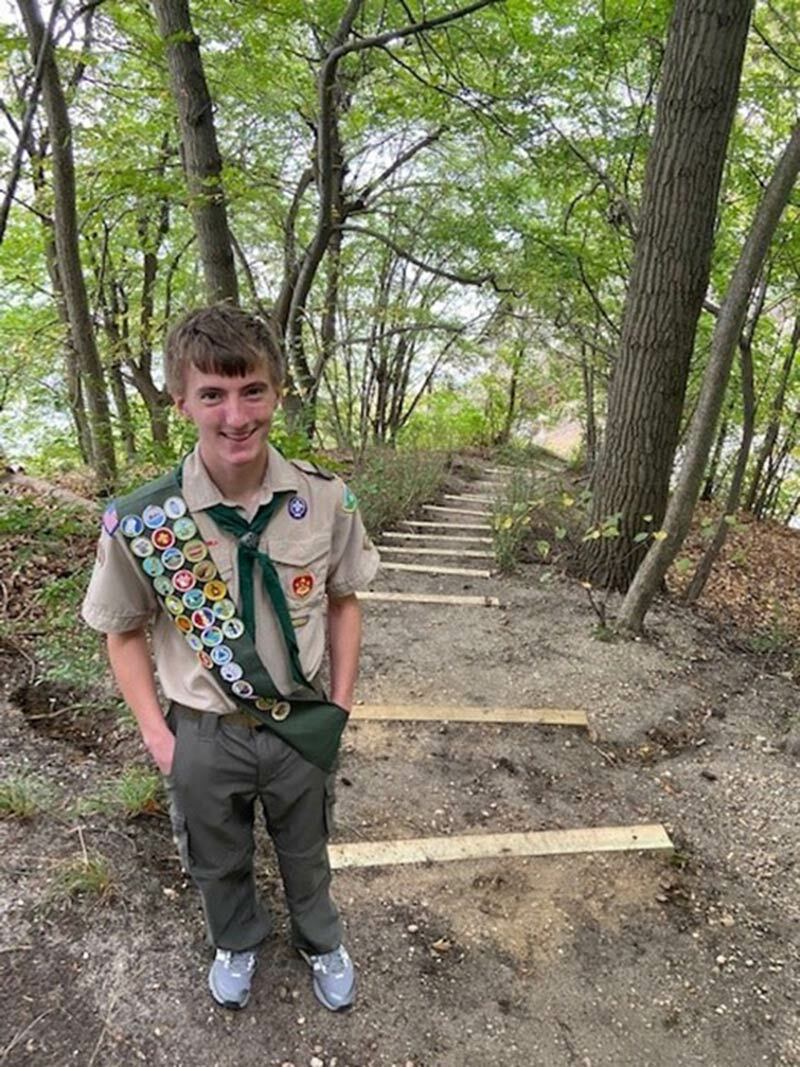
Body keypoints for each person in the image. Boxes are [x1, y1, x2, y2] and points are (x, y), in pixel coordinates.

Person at [82, 304, 380, 1012]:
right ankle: (237, 938)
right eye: (212, 394)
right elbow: (121, 630)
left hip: (300, 721)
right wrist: (161, 738)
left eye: (251, 390)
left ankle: (319, 937)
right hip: (204, 731)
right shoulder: (147, 522)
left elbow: (343, 600)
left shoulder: (326, 499)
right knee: (216, 854)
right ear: (182, 400)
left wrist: (339, 703)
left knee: (307, 849)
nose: (235, 414)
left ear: (278, 390)